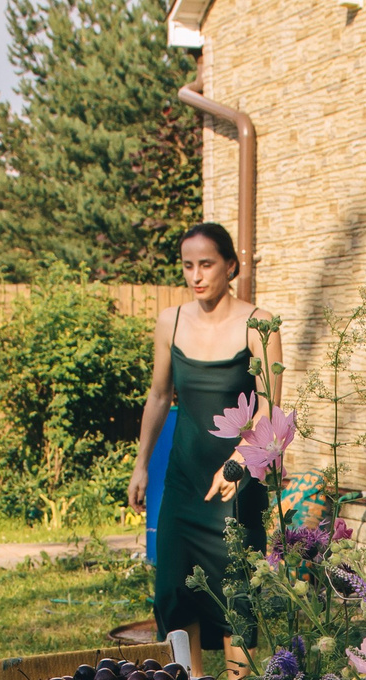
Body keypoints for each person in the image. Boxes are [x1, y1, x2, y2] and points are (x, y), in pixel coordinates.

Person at [128, 221, 283, 653]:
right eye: (187, 265)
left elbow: (270, 407)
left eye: (207, 264)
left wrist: (239, 461)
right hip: (184, 479)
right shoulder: (170, 322)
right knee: (176, 595)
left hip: (239, 479)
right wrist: (142, 466)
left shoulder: (260, 324)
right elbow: (159, 396)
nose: (196, 275)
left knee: (237, 594)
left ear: (230, 266)